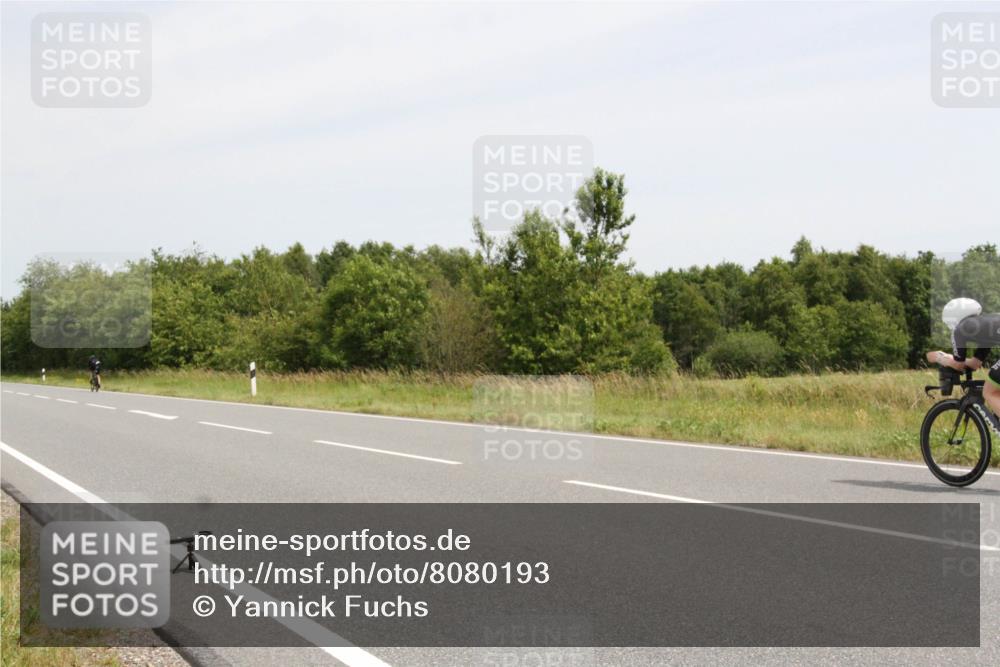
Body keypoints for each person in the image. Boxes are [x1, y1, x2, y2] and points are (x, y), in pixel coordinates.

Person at [925, 298, 1000, 431]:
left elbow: (958, 365)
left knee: (989, 392)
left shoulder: (960, 329)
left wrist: (939, 356)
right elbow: (975, 364)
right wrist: (951, 359)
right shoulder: (983, 326)